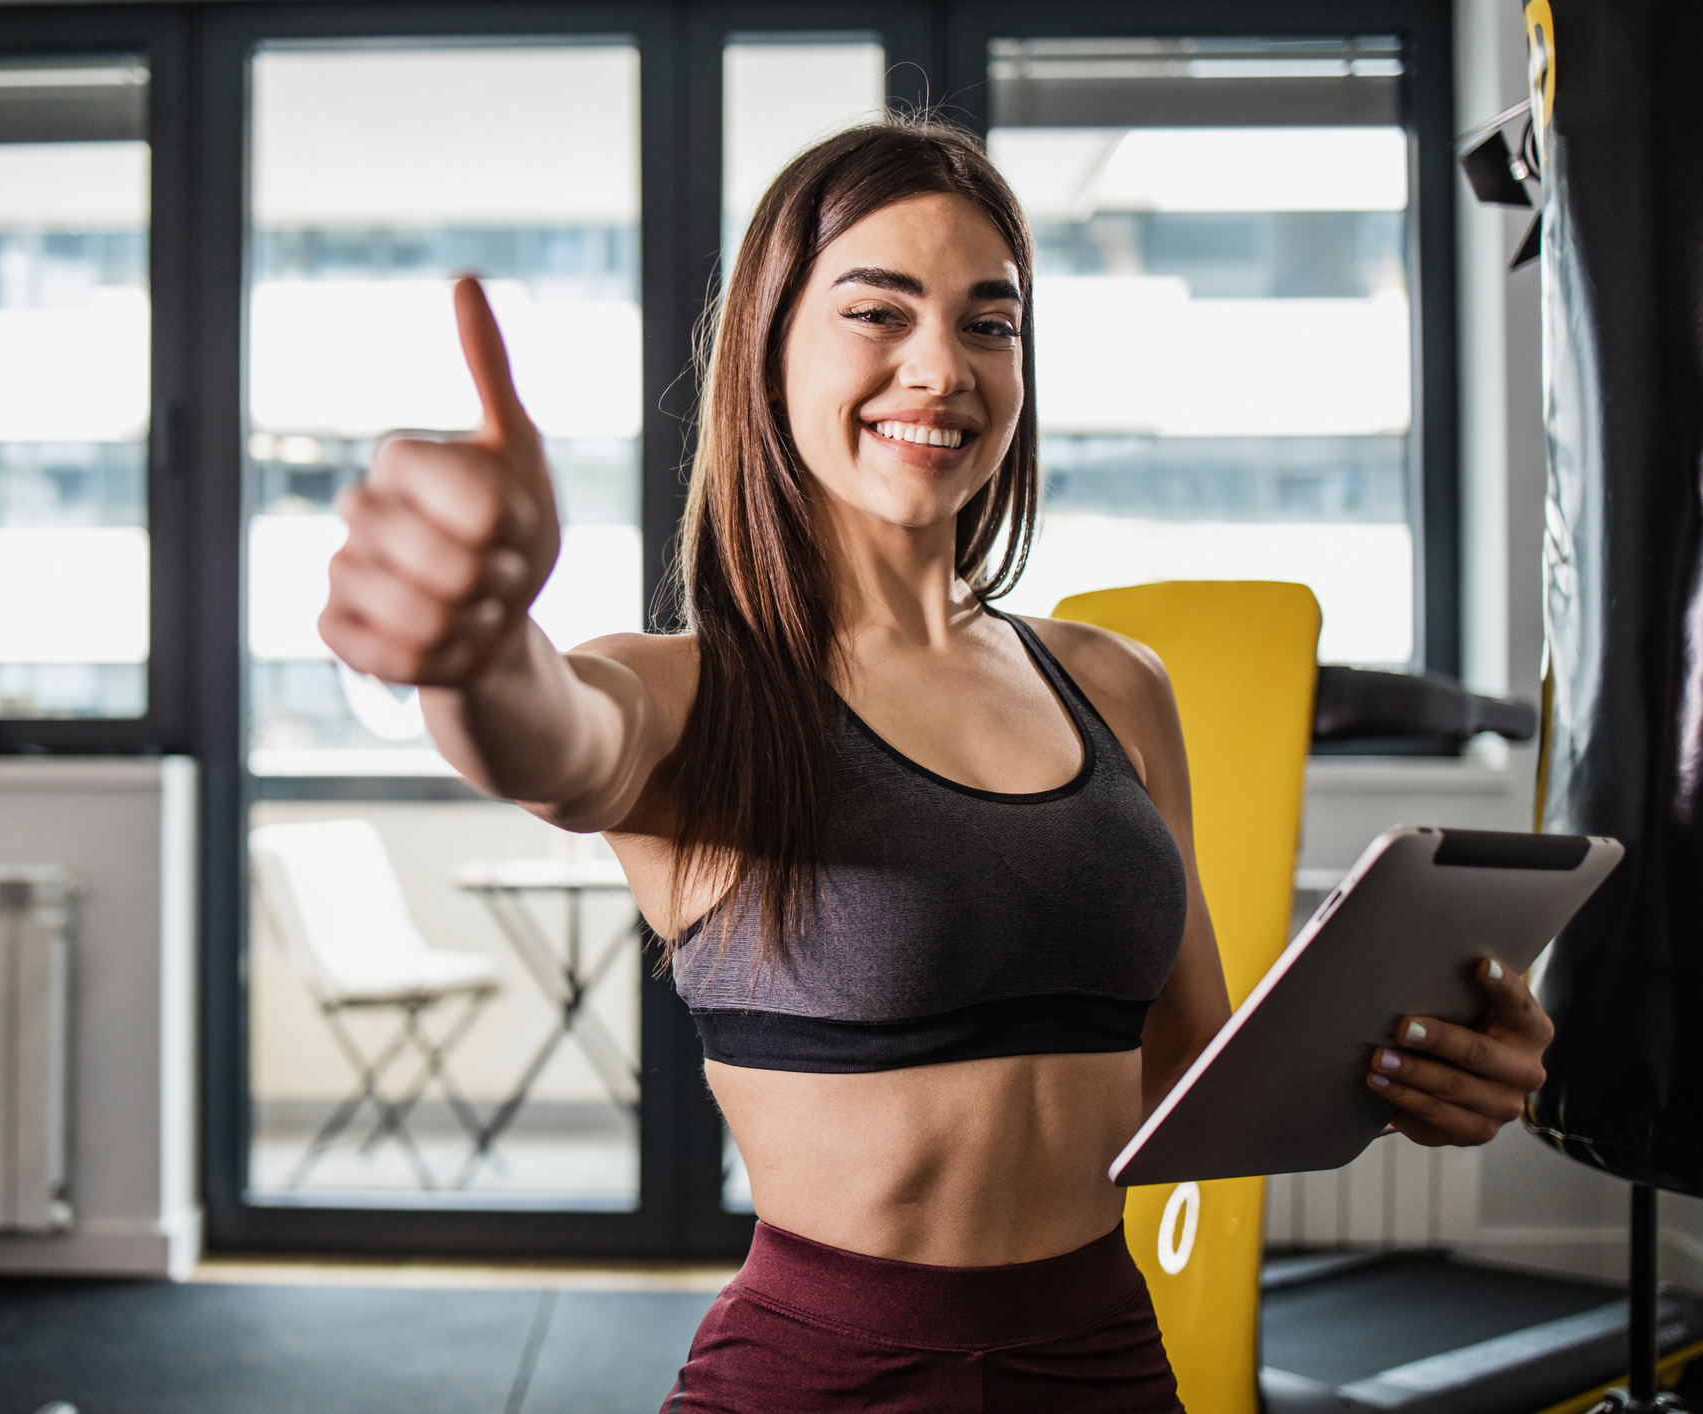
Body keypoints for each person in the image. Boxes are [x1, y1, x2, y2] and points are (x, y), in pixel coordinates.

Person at [317, 116, 1556, 1413]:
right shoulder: (696, 693)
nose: (939, 369)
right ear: (770, 347)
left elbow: (1184, 1074)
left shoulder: (1114, 681)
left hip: (1109, 1365)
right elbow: (551, 738)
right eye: (877, 312)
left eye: (988, 322)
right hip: (821, 1377)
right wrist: (470, 644)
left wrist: (1411, 1068)